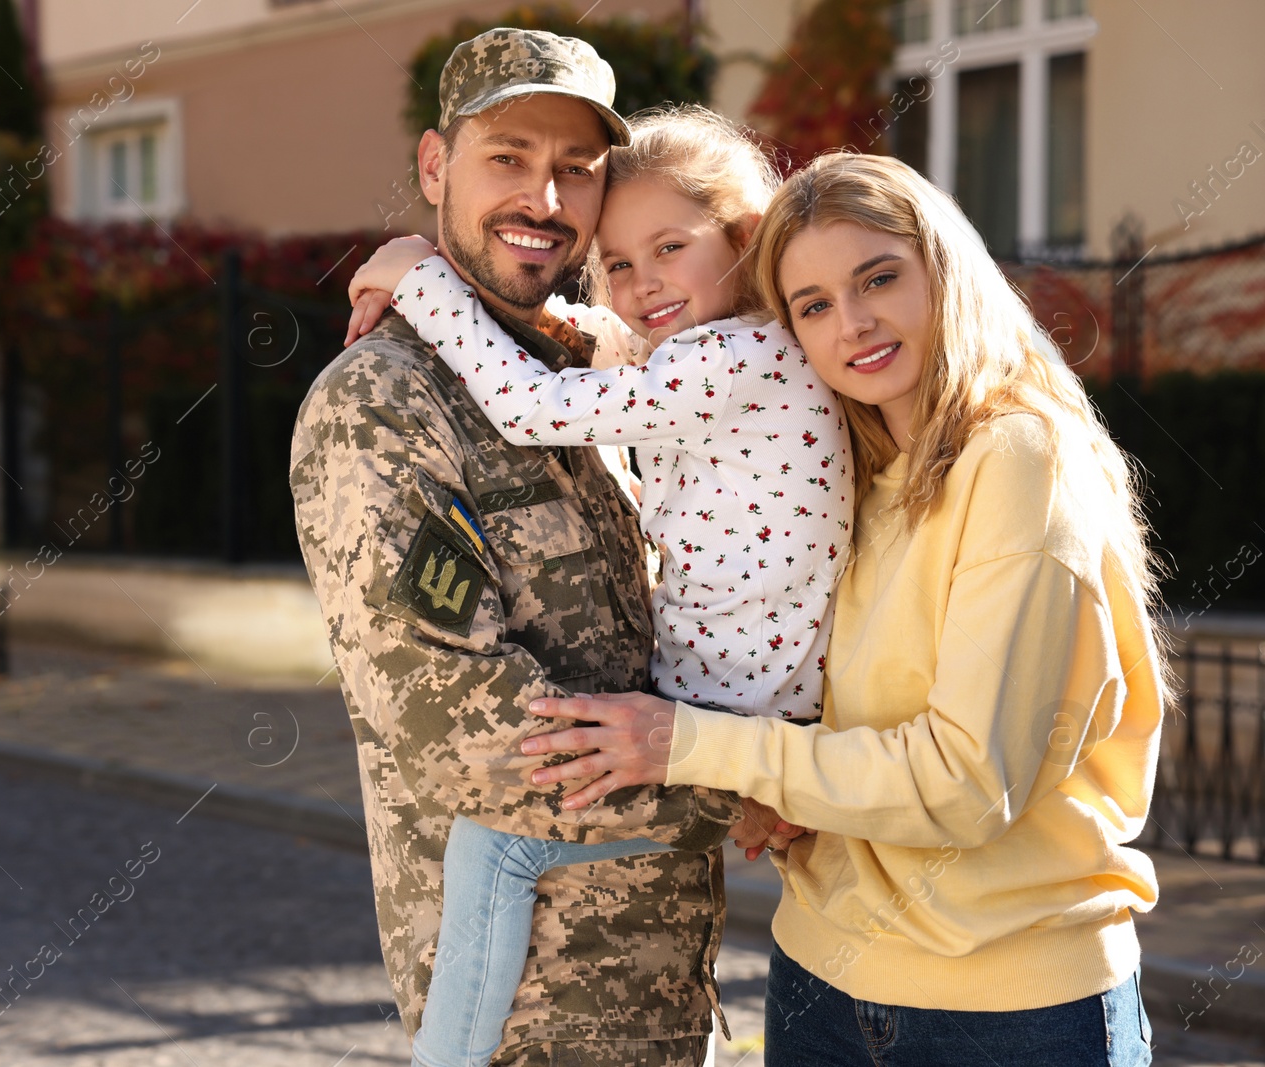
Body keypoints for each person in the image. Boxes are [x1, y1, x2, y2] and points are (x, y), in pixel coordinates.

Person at [516, 153, 1166, 1066]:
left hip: (1013, 1006)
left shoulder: (1021, 460)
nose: (852, 323)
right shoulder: (851, 462)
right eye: (813, 305)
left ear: (945, 269)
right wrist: (767, 793)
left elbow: (965, 784)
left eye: (879, 279)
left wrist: (691, 741)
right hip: (821, 981)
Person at [290, 30, 779, 1067]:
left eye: (575, 171)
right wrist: (773, 778)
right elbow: (472, 728)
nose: (543, 200)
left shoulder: (598, 371)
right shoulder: (380, 402)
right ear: (434, 167)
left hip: (660, 992)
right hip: (527, 1008)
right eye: (506, 157)